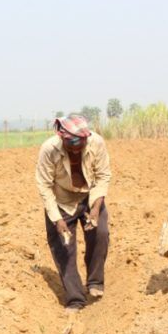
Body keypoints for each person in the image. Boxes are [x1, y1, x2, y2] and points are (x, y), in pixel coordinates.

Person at [35, 114, 112, 311]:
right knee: (64, 248)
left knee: (100, 233)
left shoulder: (96, 143)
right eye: (73, 143)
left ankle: (95, 281)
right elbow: (44, 186)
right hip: (62, 200)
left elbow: (103, 176)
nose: (78, 147)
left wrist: (95, 208)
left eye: (82, 141)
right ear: (63, 139)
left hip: (90, 196)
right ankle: (75, 298)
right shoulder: (49, 150)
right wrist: (57, 219)